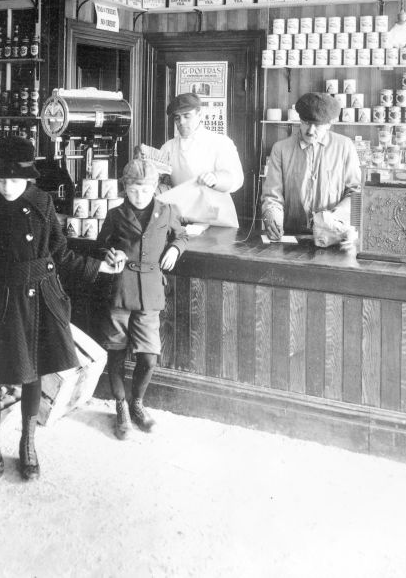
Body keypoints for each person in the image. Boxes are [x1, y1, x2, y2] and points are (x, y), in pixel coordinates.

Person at [0, 135, 122, 493]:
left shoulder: (42, 203)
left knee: (32, 374)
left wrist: (99, 268)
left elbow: (61, 254)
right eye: (0, 180)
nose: (7, 187)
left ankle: (27, 445)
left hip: (38, 297)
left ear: (28, 179)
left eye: (14, 180)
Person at [95, 159, 188, 439]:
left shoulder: (167, 211)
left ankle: (137, 402)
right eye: (134, 190)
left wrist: (175, 248)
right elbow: (101, 245)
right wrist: (109, 253)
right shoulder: (115, 214)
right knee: (116, 351)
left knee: (149, 357)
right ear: (125, 188)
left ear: (155, 188)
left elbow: (182, 236)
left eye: (145, 190)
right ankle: (121, 406)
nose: (139, 196)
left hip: (150, 292)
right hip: (120, 290)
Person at [260, 92, 361, 245]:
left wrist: (331, 218)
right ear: (300, 120)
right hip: (292, 235)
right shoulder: (281, 149)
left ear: (329, 124)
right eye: (306, 122)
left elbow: (355, 193)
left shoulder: (345, 146)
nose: (310, 130)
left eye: (318, 125)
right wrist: (272, 218)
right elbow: (272, 195)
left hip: (334, 235)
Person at [155, 92, 244, 227]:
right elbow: (157, 179)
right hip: (181, 218)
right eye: (177, 118)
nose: (181, 122)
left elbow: (237, 179)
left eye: (187, 116)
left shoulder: (220, 142)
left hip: (215, 218)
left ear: (199, 114)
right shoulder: (168, 147)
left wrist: (217, 178)